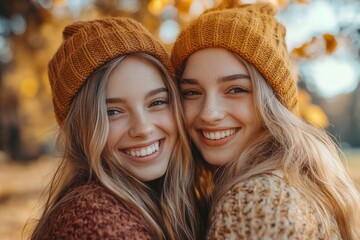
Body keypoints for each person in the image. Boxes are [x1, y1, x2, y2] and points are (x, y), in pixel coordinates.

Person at [171, 2, 360, 239]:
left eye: (236, 89)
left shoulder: (255, 201)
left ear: (273, 103)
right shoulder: (289, 183)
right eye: (191, 92)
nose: (209, 113)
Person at [29, 17, 197, 240]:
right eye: (113, 112)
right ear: (80, 129)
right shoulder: (94, 220)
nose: (143, 128)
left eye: (157, 102)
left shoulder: (176, 201)